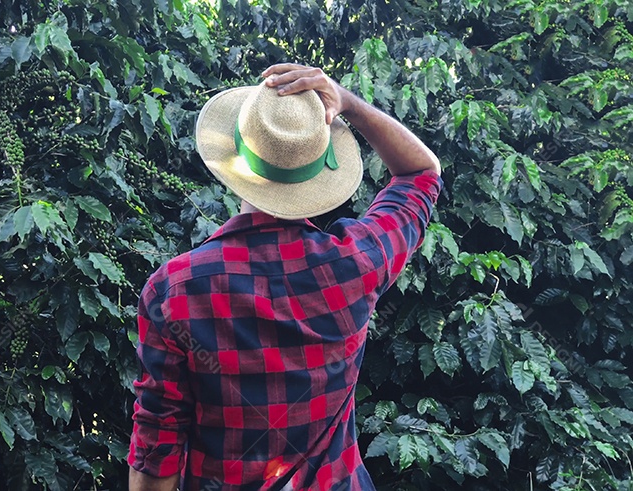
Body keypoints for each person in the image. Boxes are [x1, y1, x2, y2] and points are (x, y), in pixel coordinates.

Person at [127, 63, 443, 491]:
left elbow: (157, 449)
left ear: (234, 162)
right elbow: (421, 172)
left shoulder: (174, 291)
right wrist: (347, 102)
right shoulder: (357, 262)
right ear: (321, 168)